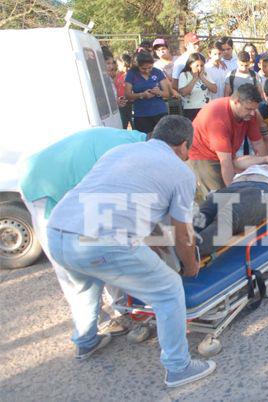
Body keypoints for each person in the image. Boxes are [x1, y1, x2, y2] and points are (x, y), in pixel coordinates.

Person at [45, 116, 216, 387]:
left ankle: (86, 342)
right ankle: (179, 367)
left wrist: (147, 236)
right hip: (102, 240)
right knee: (169, 290)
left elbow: (119, 198)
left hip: (57, 231)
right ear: (184, 145)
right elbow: (182, 233)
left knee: (86, 285)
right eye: (188, 149)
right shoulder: (180, 171)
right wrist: (190, 266)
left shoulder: (121, 152)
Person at [18, 128, 147, 337]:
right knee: (67, 263)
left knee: (105, 247)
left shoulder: (136, 140)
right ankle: (88, 331)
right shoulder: (127, 155)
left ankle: (121, 307)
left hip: (65, 178)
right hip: (41, 185)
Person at [188, 84, 268, 195]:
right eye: (249, 109)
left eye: (255, 109)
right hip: (202, 155)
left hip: (227, 154)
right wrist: (232, 192)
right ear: (236, 102)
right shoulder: (218, 119)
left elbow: (258, 143)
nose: (253, 113)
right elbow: (225, 162)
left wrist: (266, 168)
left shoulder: (250, 113)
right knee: (219, 198)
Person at [124, 51, 170, 135]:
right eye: (143, 69)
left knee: (163, 137)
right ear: (137, 66)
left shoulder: (158, 72)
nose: (147, 71)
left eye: (150, 67)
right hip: (141, 114)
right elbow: (127, 95)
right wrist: (142, 95)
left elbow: (167, 93)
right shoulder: (132, 74)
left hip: (159, 111)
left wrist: (158, 92)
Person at [178, 53, 217, 121]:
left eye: (202, 65)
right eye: (197, 66)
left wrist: (202, 78)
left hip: (206, 108)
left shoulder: (205, 74)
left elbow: (214, 89)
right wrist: (195, 78)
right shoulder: (184, 75)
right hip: (191, 110)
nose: (200, 68)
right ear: (190, 65)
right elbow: (183, 93)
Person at [115, 53, 132, 129]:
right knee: (122, 124)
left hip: (131, 103)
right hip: (121, 103)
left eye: (119, 64)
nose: (118, 66)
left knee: (133, 123)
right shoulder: (118, 74)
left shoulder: (131, 74)